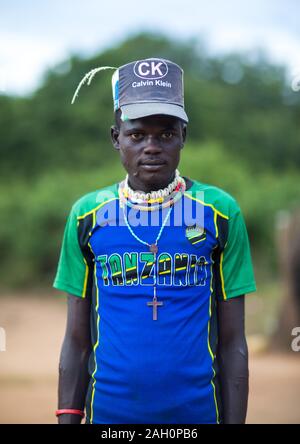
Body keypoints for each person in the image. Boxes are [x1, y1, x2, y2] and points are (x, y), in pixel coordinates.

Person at [53, 58, 256, 424]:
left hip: (196, 417)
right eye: (137, 134)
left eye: (166, 134)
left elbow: (232, 343)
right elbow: (77, 341)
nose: (152, 146)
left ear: (183, 138)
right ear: (116, 138)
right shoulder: (87, 215)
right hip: (110, 416)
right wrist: (68, 416)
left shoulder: (220, 213)